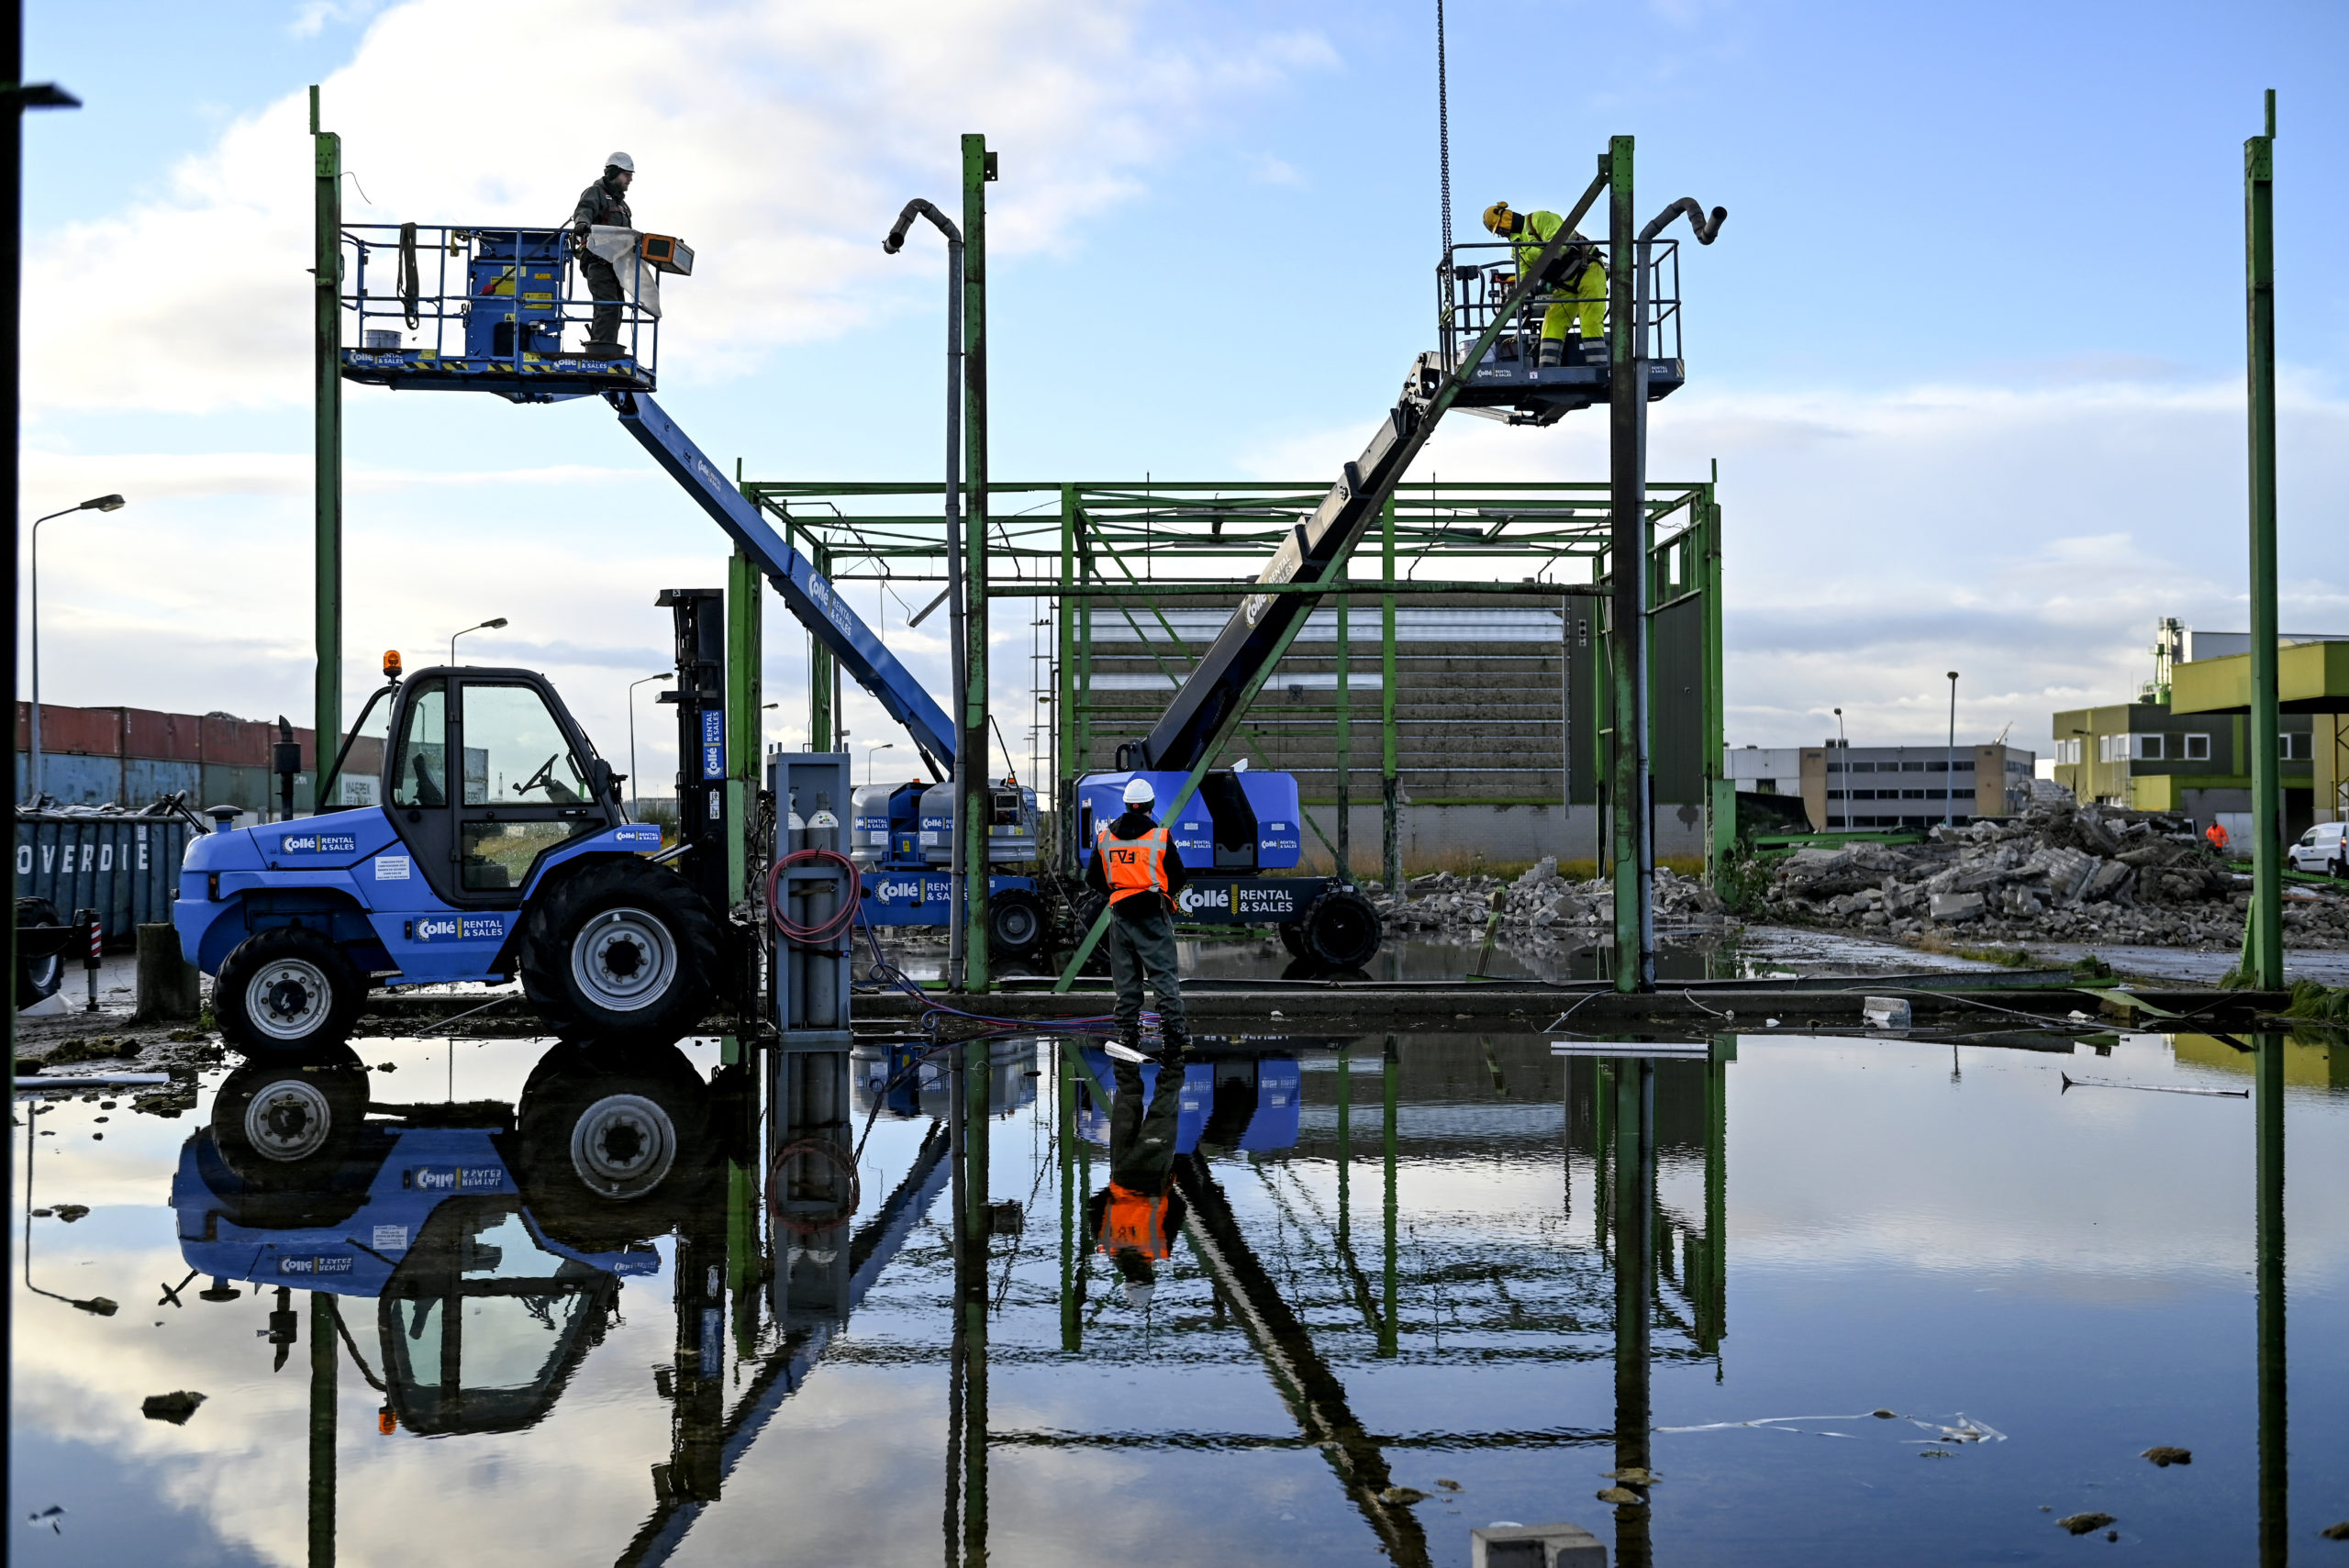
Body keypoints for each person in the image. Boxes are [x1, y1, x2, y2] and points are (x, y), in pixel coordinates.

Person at [1083, 776, 1193, 1062]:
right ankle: (1175, 1033)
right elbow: (1179, 876)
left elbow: (1093, 877)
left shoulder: (1106, 838)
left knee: (1125, 980)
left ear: (1126, 805)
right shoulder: (1159, 837)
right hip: (1151, 914)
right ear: (1151, 805)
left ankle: (1128, 1034)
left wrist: (1120, 890)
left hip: (1120, 915)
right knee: (1163, 976)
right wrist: (1153, 889)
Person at [1085, 1038, 1189, 1312]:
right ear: (1127, 1279)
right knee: (1127, 1102)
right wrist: (1117, 1192)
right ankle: (1126, 1045)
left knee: (1164, 1108)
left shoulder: (1159, 1249)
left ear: (1149, 1276)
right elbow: (1093, 1207)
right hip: (1120, 1172)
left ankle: (1174, 1051)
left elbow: (1179, 1208)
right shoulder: (1106, 1245)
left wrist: (1167, 1187)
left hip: (1153, 1176)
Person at [1482, 199, 1606, 368]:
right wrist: (1524, 290)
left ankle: (1599, 369)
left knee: (1590, 321)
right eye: (1498, 232)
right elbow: (1524, 278)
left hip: (1587, 270)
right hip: (1565, 284)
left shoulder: (1539, 220)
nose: (1501, 233)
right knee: (1552, 322)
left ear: (1506, 216)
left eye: (1499, 228)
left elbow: (1561, 246)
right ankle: (1547, 368)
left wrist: (1543, 280)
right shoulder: (1517, 248)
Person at [570, 151, 636, 355]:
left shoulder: (623, 207)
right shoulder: (595, 193)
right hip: (598, 261)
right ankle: (600, 351)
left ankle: (606, 347)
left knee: (616, 306)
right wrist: (582, 223)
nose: (630, 179)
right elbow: (585, 210)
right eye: (626, 174)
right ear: (614, 172)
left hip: (616, 265)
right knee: (606, 305)